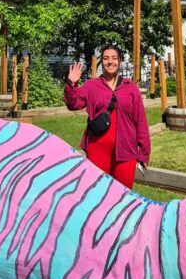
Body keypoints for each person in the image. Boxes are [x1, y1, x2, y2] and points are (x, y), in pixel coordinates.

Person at [63, 44, 150, 189]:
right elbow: (73, 104)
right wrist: (72, 83)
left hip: (126, 152)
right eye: (106, 58)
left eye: (114, 58)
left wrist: (144, 153)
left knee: (123, 196)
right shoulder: (91, 86)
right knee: (97, 193)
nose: (110, 62)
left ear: (120, 62)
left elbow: (140, 121)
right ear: (101, 62)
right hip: (98, 150)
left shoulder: (131, 88)